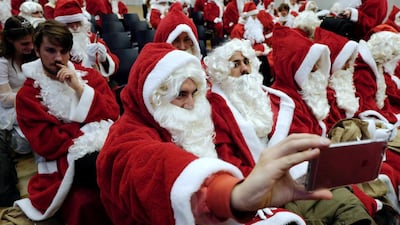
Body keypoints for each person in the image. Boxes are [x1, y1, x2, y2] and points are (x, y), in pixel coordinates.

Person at [96, 42, 333, 225]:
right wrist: (232, 195)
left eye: (194, 93)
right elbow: (155, 167)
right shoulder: (127, 136)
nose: (190, 103)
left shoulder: (186, 121)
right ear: (154, 96)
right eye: (180, 94)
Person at [205, 37, 379, 225]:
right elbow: (228, 162)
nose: (245, 69)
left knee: (350, 202)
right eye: (235, 64)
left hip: (299, 176)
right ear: (221, 72)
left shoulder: (271, 99)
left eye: (246, 62)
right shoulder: (216, 110)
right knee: (347, 206)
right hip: (265, 189)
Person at [13, 19, 119, 225]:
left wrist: (80, 90)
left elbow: (113, 113)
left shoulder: (89, 77)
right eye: (50, 50)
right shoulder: (27, 95)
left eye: (64, 51)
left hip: (103, 146)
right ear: (36, 49)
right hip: (62, 162)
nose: (58, 58)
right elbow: (47, 144)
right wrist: (87, 126)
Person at [0, 16, 36, 207]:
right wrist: (32, 92)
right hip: (9, 111)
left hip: (30, 104)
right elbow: (4, 99)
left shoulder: (33, 54)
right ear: (10, 41)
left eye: (32, 41)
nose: (30, 46)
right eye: (24, 43)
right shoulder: (2, 62)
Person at [54, 0, 119, 80]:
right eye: (69, 24)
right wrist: (89, 63)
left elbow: (115, 62)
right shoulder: (56, 44)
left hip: (101, 83)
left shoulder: (91, 37)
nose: (74, 27)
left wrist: (104, 59)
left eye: (77, 22)